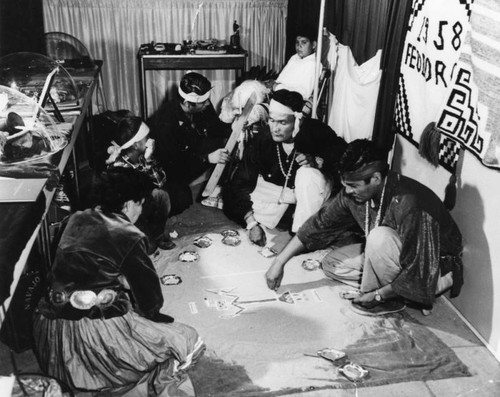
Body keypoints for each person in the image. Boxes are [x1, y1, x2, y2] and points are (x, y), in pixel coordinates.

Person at [32, 168, 205, 396]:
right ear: (129, 203)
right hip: (96, 335)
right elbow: (149, 297)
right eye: (141, 204)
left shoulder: (76, 218)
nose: (141, 210)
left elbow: (83, 265)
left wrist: (116, 280)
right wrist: (153, 318)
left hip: (53, 333)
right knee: (186, 342)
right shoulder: (128, 234)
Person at [265, 139, 464, 316]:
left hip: (433, 267)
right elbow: (319, 225)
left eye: (353, 185)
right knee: (332, 263)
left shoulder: (410, 203)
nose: (348, 191)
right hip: (400, 258)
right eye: (346, 185)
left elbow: (420, 265)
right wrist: (279, 262)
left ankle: (397, 296)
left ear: (376, 178)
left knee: (379, 238)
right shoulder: (354, 193)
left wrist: (377, 296)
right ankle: (400, 291)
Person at [223, 89, 347, 246]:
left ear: (297, 121)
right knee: (233, 197)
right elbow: (240, 181)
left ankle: (305, 237)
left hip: (313, 191)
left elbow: (344, 155)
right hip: (282, 192)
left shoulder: (315, 130)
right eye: (272, 120)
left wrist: (319, 162)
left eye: (282, 122)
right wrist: (252, 223)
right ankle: (292, 215)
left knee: (307, 175)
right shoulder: (264, 138)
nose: (275, 128)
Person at [149, 72, 232, 215]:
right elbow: (174, 165)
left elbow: (215, 126)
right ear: (187, 103)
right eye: (203, 102)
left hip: (191, 147)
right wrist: (207, 158)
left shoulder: (202, 103)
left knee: (222, 143)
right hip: (171, 165)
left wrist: (234, 128)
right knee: (182, 200)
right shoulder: (165, 123)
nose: (207, 104)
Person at [106, 114, 175, 252]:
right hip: (126, 215)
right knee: (149, 248)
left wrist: (149, 161)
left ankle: (157, 235)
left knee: (162, 195)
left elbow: (160, 183)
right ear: (136, 144)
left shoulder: (142, 157)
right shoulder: (119, 166)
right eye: (147, 138)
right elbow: (128, 203)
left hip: (140, 205)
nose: (150, 140)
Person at [274, 27, 319, 101]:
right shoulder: (294, 57)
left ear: (313, 45)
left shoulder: (314, 64)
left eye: (304, 42)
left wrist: (278, 87)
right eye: (297, 42)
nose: (299, 46)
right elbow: (280, 79)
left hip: (291, 103)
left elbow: (304, 93)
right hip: (278, 95)